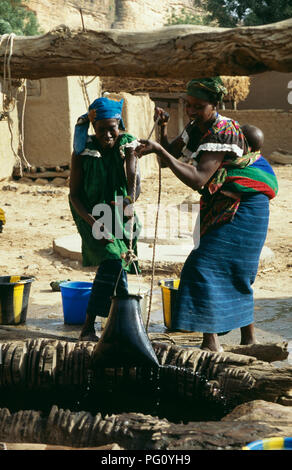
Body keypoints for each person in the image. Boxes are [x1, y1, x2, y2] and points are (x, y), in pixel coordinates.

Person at [136, 77, 278, 352]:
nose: (190, 110)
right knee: (229, 270)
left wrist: (160, 149)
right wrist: (163, 133)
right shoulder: (196, 127)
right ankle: (242, 340)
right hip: (222, 205)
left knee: (205, 267)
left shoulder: (222, 131)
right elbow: (169, 159)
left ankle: (214, 343)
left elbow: (199, 179)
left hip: (246, 207)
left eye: (198, 106)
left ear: (215, 105)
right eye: (187, 105)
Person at [69, 97, 141, 341]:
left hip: (121, 210)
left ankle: (122, 323)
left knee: (116, 265)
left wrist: (129, 201)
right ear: (94, 129)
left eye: (113, 128)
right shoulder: (82, 152)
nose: (108, 134)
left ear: (119, 125)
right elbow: (74, 195)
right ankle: (89, 325)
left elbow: (134, 178)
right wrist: (94, 224)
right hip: (89, 214)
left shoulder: (126, 144)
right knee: (112, 260)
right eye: (102, 129)